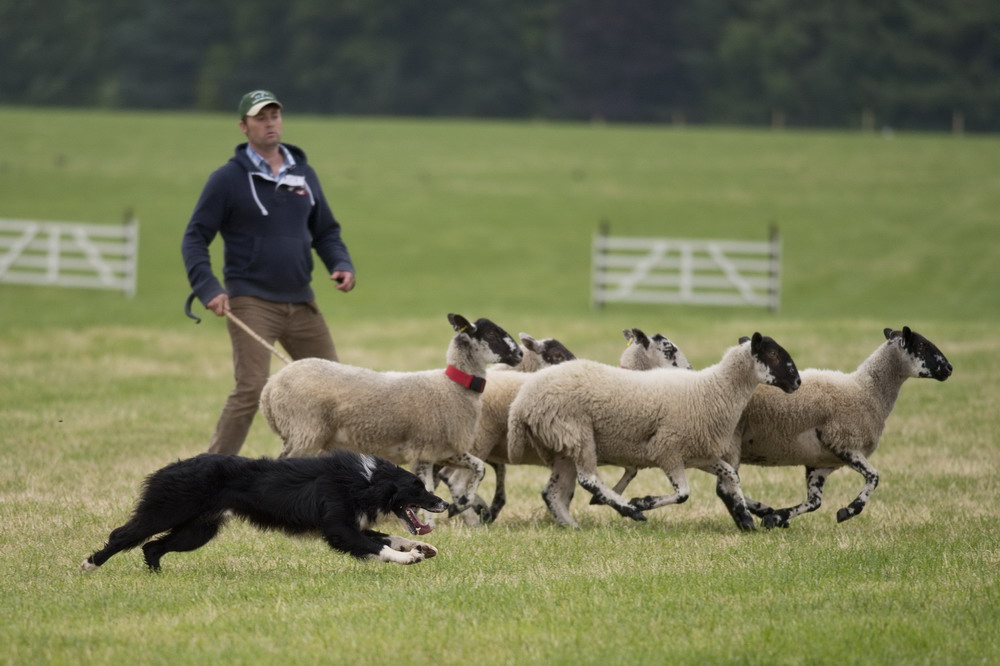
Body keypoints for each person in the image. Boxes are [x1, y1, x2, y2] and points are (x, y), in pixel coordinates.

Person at [182, 89, 355, 455]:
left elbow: (325, 231)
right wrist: (207, 286)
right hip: (251, 302)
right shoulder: (227, 179)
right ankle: (209, 478)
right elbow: (195, 237)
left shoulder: (303, 174)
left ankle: (354, 481)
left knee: (339, 390)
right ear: (244, 126)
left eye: (274, 115)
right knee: (251, 388)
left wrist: (340, 263)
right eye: (260, 118)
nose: (270, 123)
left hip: (301, 300)